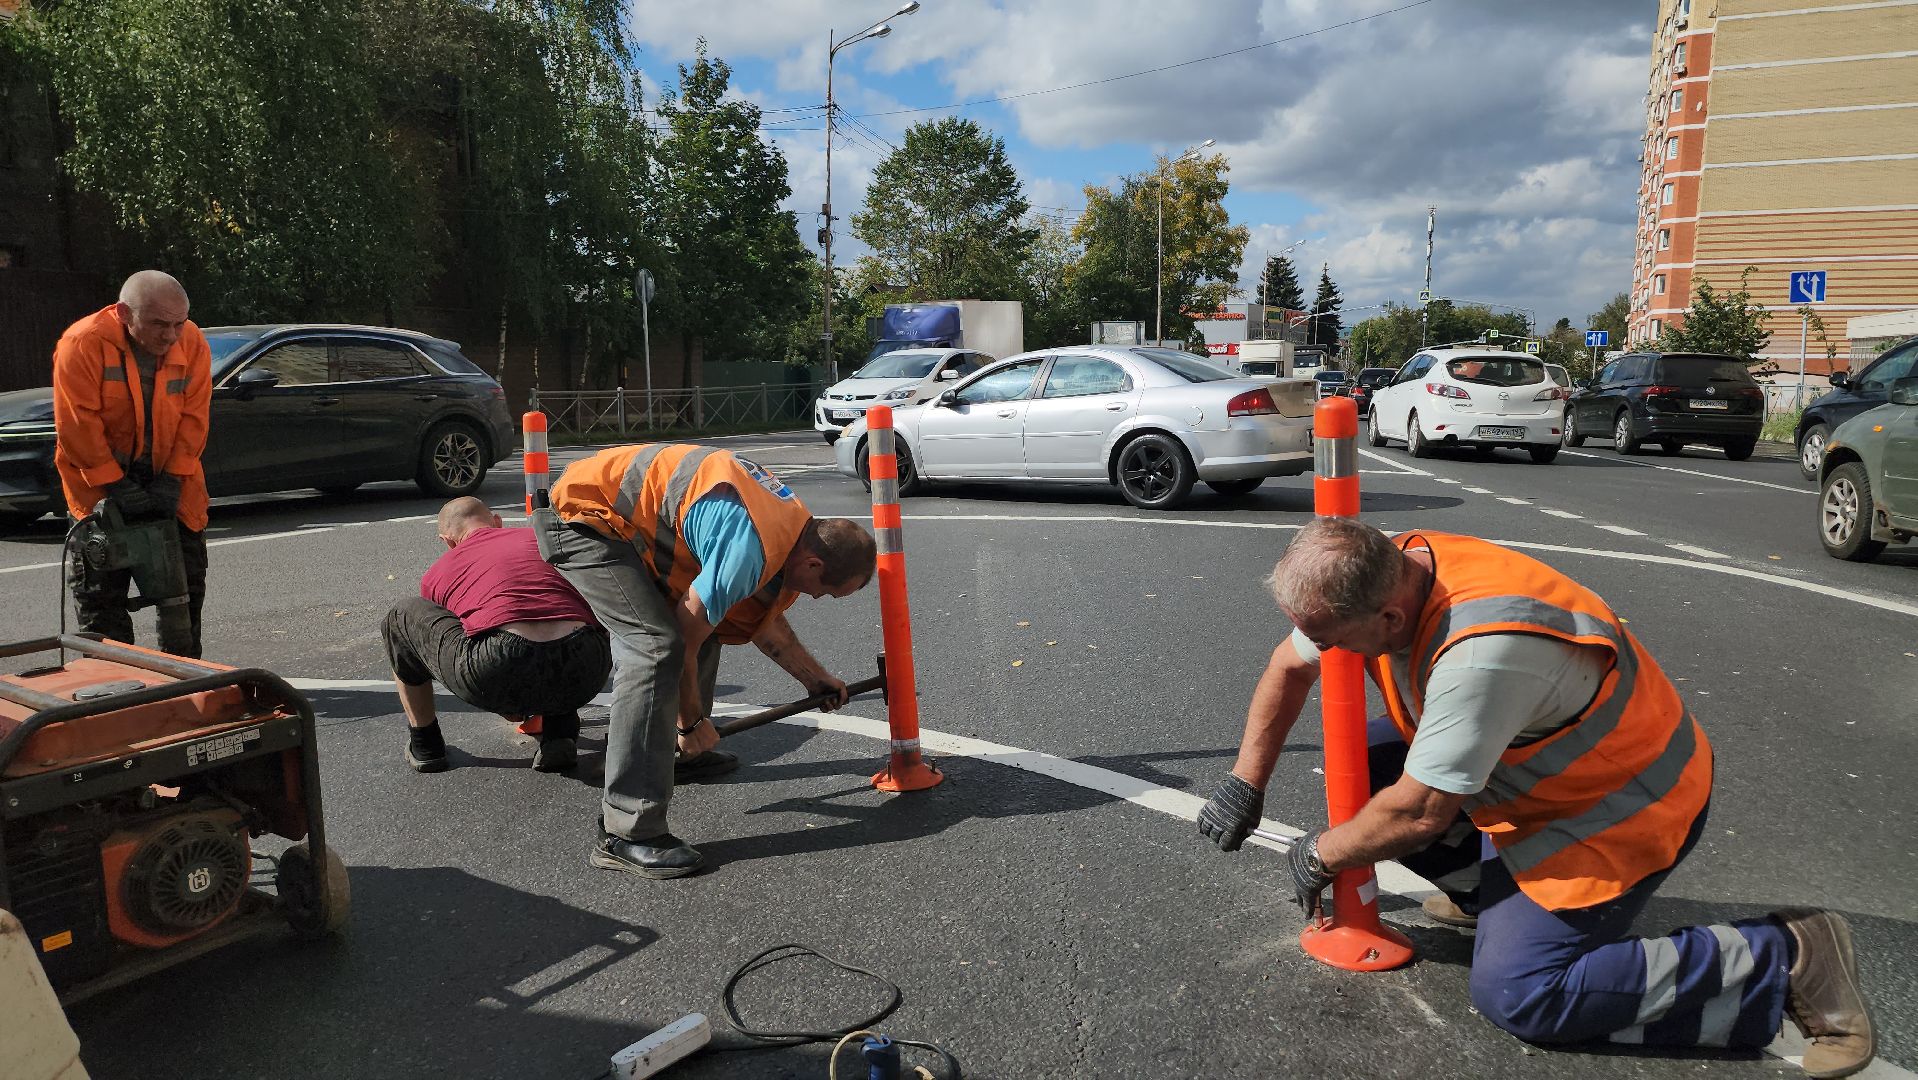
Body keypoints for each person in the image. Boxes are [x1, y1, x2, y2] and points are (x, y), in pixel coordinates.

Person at [1198, 518, 1874, 1079]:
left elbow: (1420, 813)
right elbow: (1289, 666)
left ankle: (1783, 959)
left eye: (1332, 641)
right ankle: (1489, 898)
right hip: (1540, 783)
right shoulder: (1388, 566)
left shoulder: (1480, 653)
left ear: (1390, 616)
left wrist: (1321, 853)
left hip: (1621, 808)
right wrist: (1244, 782)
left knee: (1523, 994)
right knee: (1366, 766)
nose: (1322, 649)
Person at [535, 443, 876, 880]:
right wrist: (691, 723)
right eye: (825, 590)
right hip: (583, 518)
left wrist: (815, 679)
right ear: (812, 564)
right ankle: (628, 832)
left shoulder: (789, 528)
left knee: (706, 621)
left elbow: (751, 617)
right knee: (655, 648)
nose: (816, 597)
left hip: (622, 519)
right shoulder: (750, 549)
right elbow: (683, 639)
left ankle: (672, 757)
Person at [382, 497, 613, 773]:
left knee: (401, 617)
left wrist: (507, 699)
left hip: (498, 665)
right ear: (498, 522)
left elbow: (461, 633)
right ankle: (559, 732)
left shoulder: (439, 571)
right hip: (588, 665)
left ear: (448, 541)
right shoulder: (542, 542)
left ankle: (426, 745)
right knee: (557, 610)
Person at [53, 270, 212, 656]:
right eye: (159, 324)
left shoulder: (192, 340)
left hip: (173, 489)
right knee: (102, 610)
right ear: (125, 313)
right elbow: (78, 426)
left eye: (178, 323)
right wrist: (116, 483)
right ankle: (115, 682)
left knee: (183, 599)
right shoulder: (83, 343)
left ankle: (185, 679)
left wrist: (173, 478)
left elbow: (195, 418)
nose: (170, 335)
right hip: (99, 495)